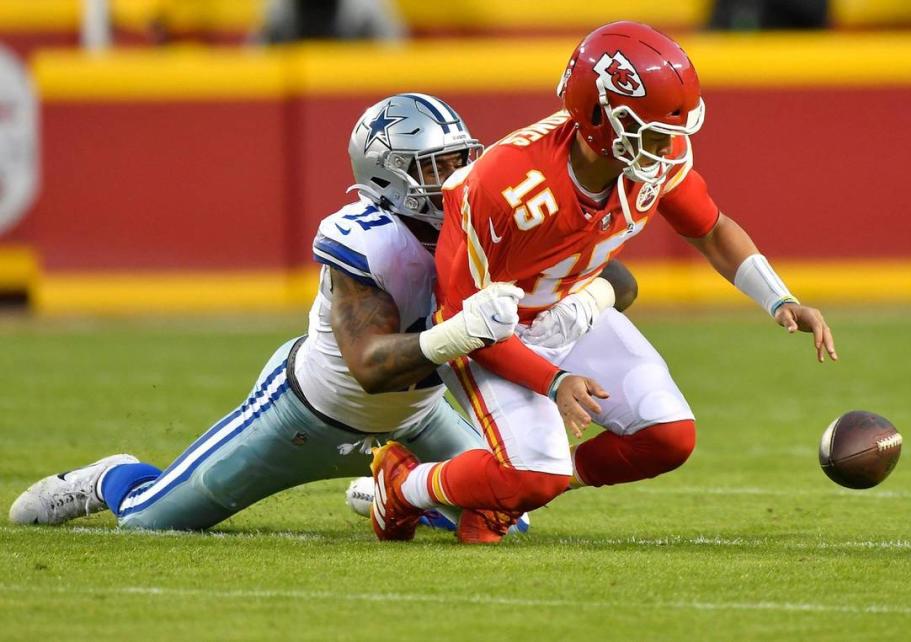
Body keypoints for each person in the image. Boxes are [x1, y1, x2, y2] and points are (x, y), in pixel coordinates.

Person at [369, 22, 838, 544]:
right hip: (488, 332)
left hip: (568, 309)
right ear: (598, 117)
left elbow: (711, 229)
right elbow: (460, 323)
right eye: (654, 131)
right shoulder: (503, 186)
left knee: (667, 436)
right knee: (534, 473)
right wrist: (553, 380)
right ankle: (403, 486)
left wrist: (779, 298)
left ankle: (501, 494)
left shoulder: (649, 161)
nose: (668, 148)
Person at [8, 93, 519, 532]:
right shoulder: (367, 238)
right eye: (437, 166)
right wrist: (464, 332)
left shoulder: (481, 224)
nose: (458, 177)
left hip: (418, 417)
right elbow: (371, 366)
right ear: (388, 176)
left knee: (508, 509)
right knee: (148, 520)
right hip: (307, 415)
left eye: (461, 159)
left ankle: (397, 491)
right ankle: (110, 477)